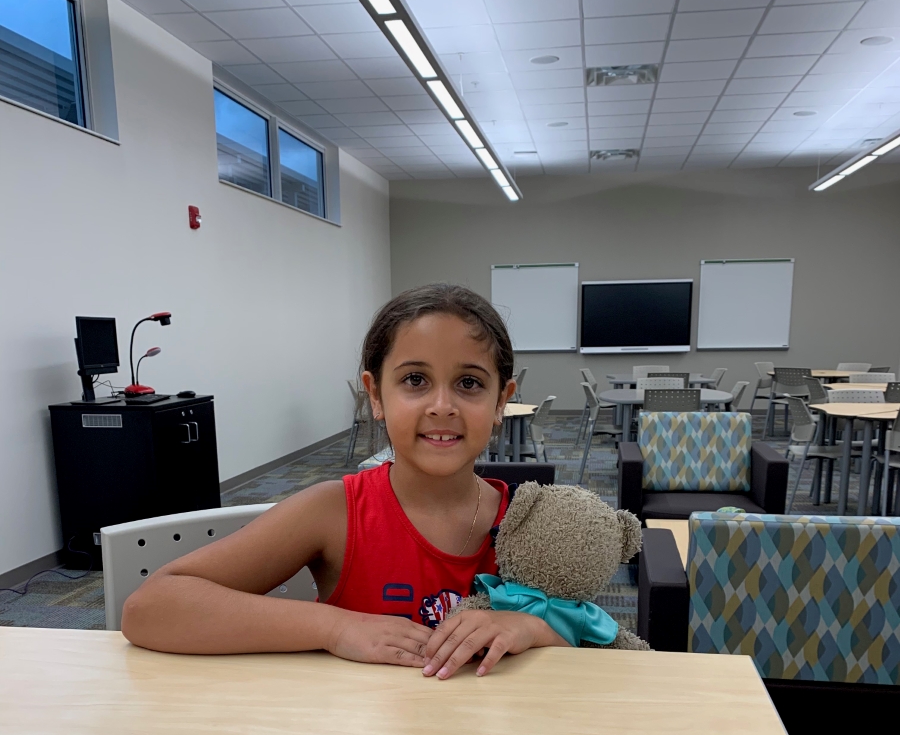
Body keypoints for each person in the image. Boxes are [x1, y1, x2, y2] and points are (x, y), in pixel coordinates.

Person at [122, 283, 567, 679]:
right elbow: (151, 608)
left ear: (500, 403)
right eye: (415, 380)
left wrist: (531, 626)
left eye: (469, 383)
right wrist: (336, 626)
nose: (441, 405)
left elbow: (600, 650)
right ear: (375, 394)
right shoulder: (335, 511)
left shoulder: (532, 523)